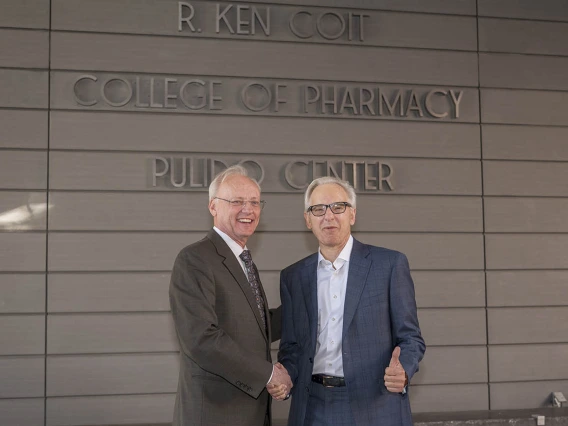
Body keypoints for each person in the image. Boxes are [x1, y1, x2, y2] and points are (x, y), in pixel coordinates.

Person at [274, 176, 425, 426]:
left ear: (352, 214)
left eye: (338, 207)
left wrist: (404, 369)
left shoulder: (389, 265)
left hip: (376, 404)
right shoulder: (293, 277)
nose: (328, 216)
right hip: (312, 407)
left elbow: (410, 338)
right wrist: (286, 376)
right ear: (307, 219)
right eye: (318, 209)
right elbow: (291, 346)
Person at [169, 165, 291, 426]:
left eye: (255, 202)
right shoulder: (195, 259)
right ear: (213, 206)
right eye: (237, 201)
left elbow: (254, 325)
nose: (248, 209)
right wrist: (269, 374)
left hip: (249, 414)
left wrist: (311, 302)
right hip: (215, 414)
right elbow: (201, 339)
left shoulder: (243, 261)